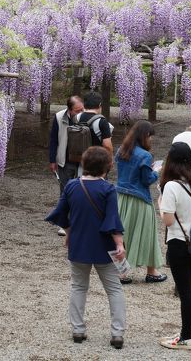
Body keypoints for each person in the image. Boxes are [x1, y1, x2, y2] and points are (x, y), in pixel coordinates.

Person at [45, 146, 126, 349]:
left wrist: (70, 233)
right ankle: (117, 334)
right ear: (107, 167)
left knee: (78, 287)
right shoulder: (108, 189)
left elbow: (61, 213)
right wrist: (119, 244)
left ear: (84, 164)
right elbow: (112, 220)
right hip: (104, 246)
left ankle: (78, 330)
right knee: (114, 289)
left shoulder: (72, 186)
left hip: (79, 245)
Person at [158, 142, 191, 351]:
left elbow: (168, 221)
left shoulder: (171, 186)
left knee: (185, 291)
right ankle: (188, 332)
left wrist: (160, 204)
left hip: (179, 242)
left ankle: (186, 338)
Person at [115, 120, 166, 284]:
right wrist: (156, 171)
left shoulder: (121, 150)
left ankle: (123, 273)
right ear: (145, 136)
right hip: (139, 199)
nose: (151, 140)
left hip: (122, 198)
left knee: (123, 235)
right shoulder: (145, 155)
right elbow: (146, 180)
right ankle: (152, 272)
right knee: (147, 234)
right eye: (150, 136)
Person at [49, 95, 85, 235]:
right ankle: (64, 223)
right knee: (65, 192)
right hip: (65, 160)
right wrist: (52, 160)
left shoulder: (86, 116)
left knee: (82, 191)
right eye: (77, 110)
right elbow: (53, 140)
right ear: (69, 110)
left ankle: (80, 221)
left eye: (82, 109)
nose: (80, 113)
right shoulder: (59, 117)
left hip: (83, 160)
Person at [78, 91, 113, 155]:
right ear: (100, 105)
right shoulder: (101, 121)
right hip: (96, 159)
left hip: (79, 158)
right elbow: (107, 146)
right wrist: (110, 160)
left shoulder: (77, 117)